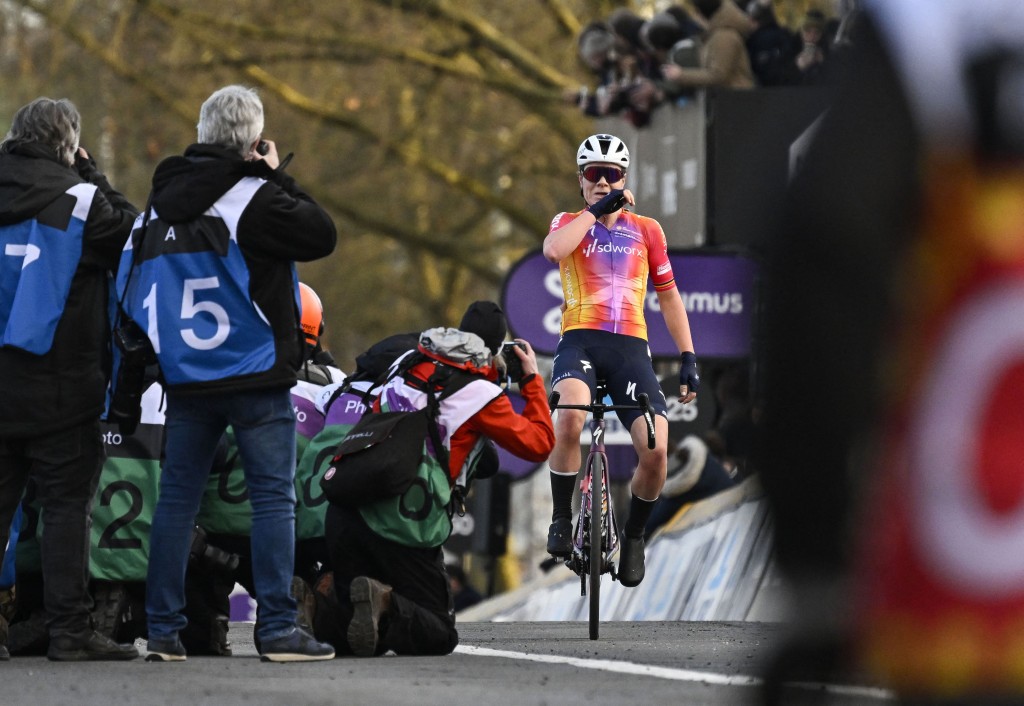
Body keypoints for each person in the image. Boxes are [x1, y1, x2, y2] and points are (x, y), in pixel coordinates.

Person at [116, 85, 337, 662]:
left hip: (186, 377)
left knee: (177, 501)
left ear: (200, 133)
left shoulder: (156, 208)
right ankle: (277, 629)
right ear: (252, 140)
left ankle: (163, 630)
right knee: (272, 499)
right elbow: (322, 233)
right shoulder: (257, 200)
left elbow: (130, 291)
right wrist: (275, 174)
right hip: (256, 372)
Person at [304, 301, 554, 657]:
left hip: (347, 505)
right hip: (403, 517)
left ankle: (319, 604)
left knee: (361, 643)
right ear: (496, 351)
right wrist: (530, 380)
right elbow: (539, 443)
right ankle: (384, 601)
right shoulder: (481, 394)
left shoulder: (406, 363)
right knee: (437, 632)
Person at [0, 97, 141, 661]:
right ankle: (69, 632)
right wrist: (94, 174)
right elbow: (137, 237)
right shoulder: (82, 204)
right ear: (68, 144)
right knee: (64, 509)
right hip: (63, 385)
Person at [542, 133, 699, 588]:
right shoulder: (569, 221)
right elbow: (554, 251)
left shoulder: (648, 230)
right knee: (569, 416)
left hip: (631, 346)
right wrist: (596, 211)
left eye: (611, 174)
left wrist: (688, 355)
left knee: (656, 450)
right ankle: (559, 517)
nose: (602, 181)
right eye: (594, 174)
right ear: (581, 180)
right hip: (580, 341)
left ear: (625, 178)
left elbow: (669, 298)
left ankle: (632, 537)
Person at [661, 0, 757, 92]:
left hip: (736, 100)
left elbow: (718, 75)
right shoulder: (714, 35)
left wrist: (681, 75)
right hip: (727, 100)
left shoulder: (724, 36)